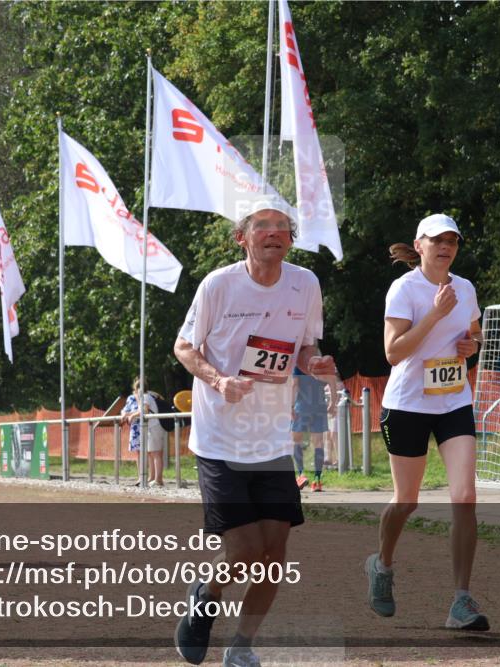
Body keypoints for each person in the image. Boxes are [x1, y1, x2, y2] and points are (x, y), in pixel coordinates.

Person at [173, 199, 337, 667]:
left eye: (282, 227)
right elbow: (184, 346)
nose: (274, 233)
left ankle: (241, 645)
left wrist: (315, 363)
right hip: (220, 439)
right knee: (243, 550)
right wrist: (218, 380)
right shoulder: (218, 286)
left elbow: (306, 346)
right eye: (262, 226)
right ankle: (204, 598)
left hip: (271, 441)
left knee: (274, 554)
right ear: (241, 238)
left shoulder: (304, 284)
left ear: (291, 238)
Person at [365, 213, 488, 631]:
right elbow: (393, 353)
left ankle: (461, 600)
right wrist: (434, 316)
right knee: (407, 500)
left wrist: (471, 344)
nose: (445, 246)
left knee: (465, 496)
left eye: (452, 240)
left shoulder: (465, 288)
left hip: (453, 402)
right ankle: (381, 565)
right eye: (437, 240)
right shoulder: (404, 289)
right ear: (419, 245)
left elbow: (473, 334)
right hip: (407, 406)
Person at [290, 366, 336, 492]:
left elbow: (294, 384)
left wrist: (291, 405)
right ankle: (317, 480)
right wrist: (333, 402)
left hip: (302, 406)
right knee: (319, 443)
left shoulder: (299, 366)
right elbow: (332, 382)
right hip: (320, 406)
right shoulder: (322, 363)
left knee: (296, 441)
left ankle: (300, 474)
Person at [120, 377, 167, 487]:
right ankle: (152, 478)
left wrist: (132, 415)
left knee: (156, 453)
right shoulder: (146, 396)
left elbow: (144, 410)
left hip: (154, 426)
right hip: (151, 427)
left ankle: (158, 480)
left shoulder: (145, 397)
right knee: (151, 453)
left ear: (137, 389)